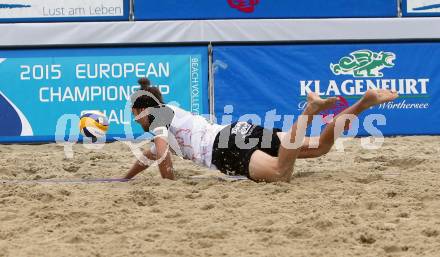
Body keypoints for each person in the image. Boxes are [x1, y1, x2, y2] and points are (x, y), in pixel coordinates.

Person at [124, 77, 399, 182]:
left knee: (281, 173)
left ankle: (309, 111)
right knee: (321, 148)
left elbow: (162, 156)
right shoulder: (172, 113)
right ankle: (364, 103)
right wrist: (124, 178)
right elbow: (150, 154)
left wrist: (170, 183)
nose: (135, 120)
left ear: (142, 110)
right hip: (239, 130)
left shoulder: (159, 117)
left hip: (225, 149)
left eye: (134, 114)